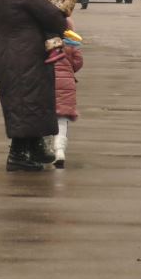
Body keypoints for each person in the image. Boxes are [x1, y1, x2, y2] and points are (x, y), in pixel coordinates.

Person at [0, 0, 67, 172]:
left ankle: (33, 147)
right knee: (27, 102)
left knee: (23, 102)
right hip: (26, 56)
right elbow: (54, 19)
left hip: (8, 54)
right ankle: (18, 155)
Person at [51, 19, 83, 168]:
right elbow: (78, 63)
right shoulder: (71, 45)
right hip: (66, 85)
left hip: (47, 82)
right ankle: (60, 150)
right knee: (62, 119)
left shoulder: (46, 42)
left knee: (45, 117)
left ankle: (46, 149)